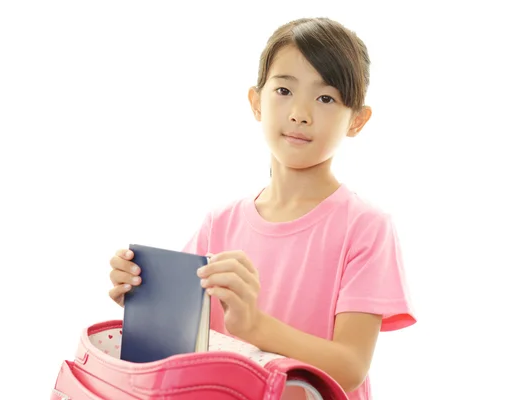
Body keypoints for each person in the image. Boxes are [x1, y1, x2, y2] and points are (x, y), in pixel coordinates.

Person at [108, 17, 416, 400]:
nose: (300, 113)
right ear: (256, 101)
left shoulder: (366, 227)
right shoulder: (220, 222)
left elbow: (350, 368)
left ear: (357, 120)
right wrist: (141, 293)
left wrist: (254, 325)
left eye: (325, 98)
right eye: (284, 90)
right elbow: (182, 338)